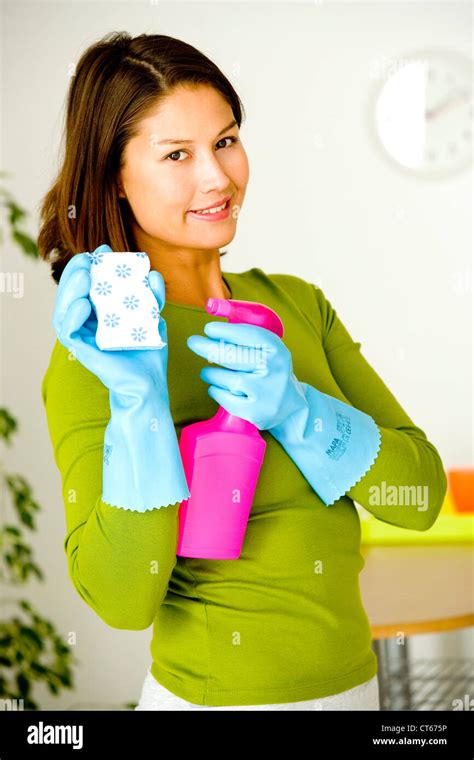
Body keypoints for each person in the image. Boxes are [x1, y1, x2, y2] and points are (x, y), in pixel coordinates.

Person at [39, 32, 447, 710]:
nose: (218, 178)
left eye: (225, 141)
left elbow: (419, 494)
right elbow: (122, 597)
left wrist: (298, 411)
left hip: (356, 692)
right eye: (177, 154)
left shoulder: (297, 304)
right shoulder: (100, 353)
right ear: (114, 175)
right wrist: (138, 406)